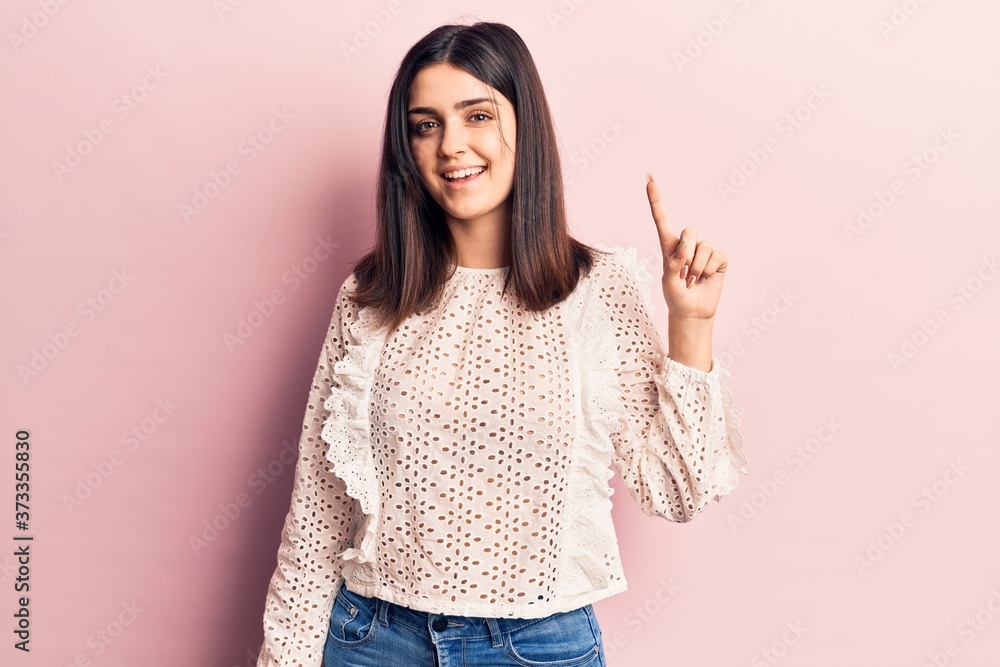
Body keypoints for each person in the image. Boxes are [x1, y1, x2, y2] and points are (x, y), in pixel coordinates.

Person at [255, 20, 748, 667]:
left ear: (525, 125)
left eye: (477, 114)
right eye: (425, 124)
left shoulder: (597, 289)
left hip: (535, 646)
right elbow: (318, 515)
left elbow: (677, 492)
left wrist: (691, 322)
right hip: (371, 638)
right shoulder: (370, 296)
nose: (451, 145)